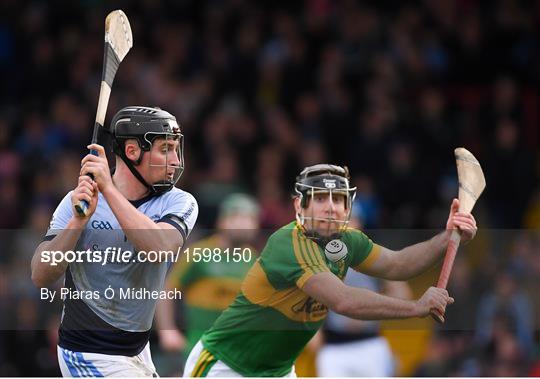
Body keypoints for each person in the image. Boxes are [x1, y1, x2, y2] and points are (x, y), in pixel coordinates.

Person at [183, 164, 477, 377]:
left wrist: (447, 236)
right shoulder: (290, 243)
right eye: (321, 198)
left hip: (277, 372)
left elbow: (397, 265)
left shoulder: (348, 241)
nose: (331, 208)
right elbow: (343, 300)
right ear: (300, 204)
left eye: (338, 200)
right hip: (225, 365)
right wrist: (416, 307)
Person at [31, 106, 199, 377]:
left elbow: (160, 248)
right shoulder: (77, 200)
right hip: (87, 351)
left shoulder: (180, 202)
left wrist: (108, 189)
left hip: (135, 351)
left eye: (175, 149)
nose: (176, 161)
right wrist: (77, 223)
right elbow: (40, 274)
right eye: (165, 149)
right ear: (132, 151)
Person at [155, 194, 260, 367]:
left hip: (237, 351)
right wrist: (168, 331)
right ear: (222, 221)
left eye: (250, 219)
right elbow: (167, 290)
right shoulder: (199, 253)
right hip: (197, 346)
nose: (244, 225)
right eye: (238, 217)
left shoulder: (254, 260)